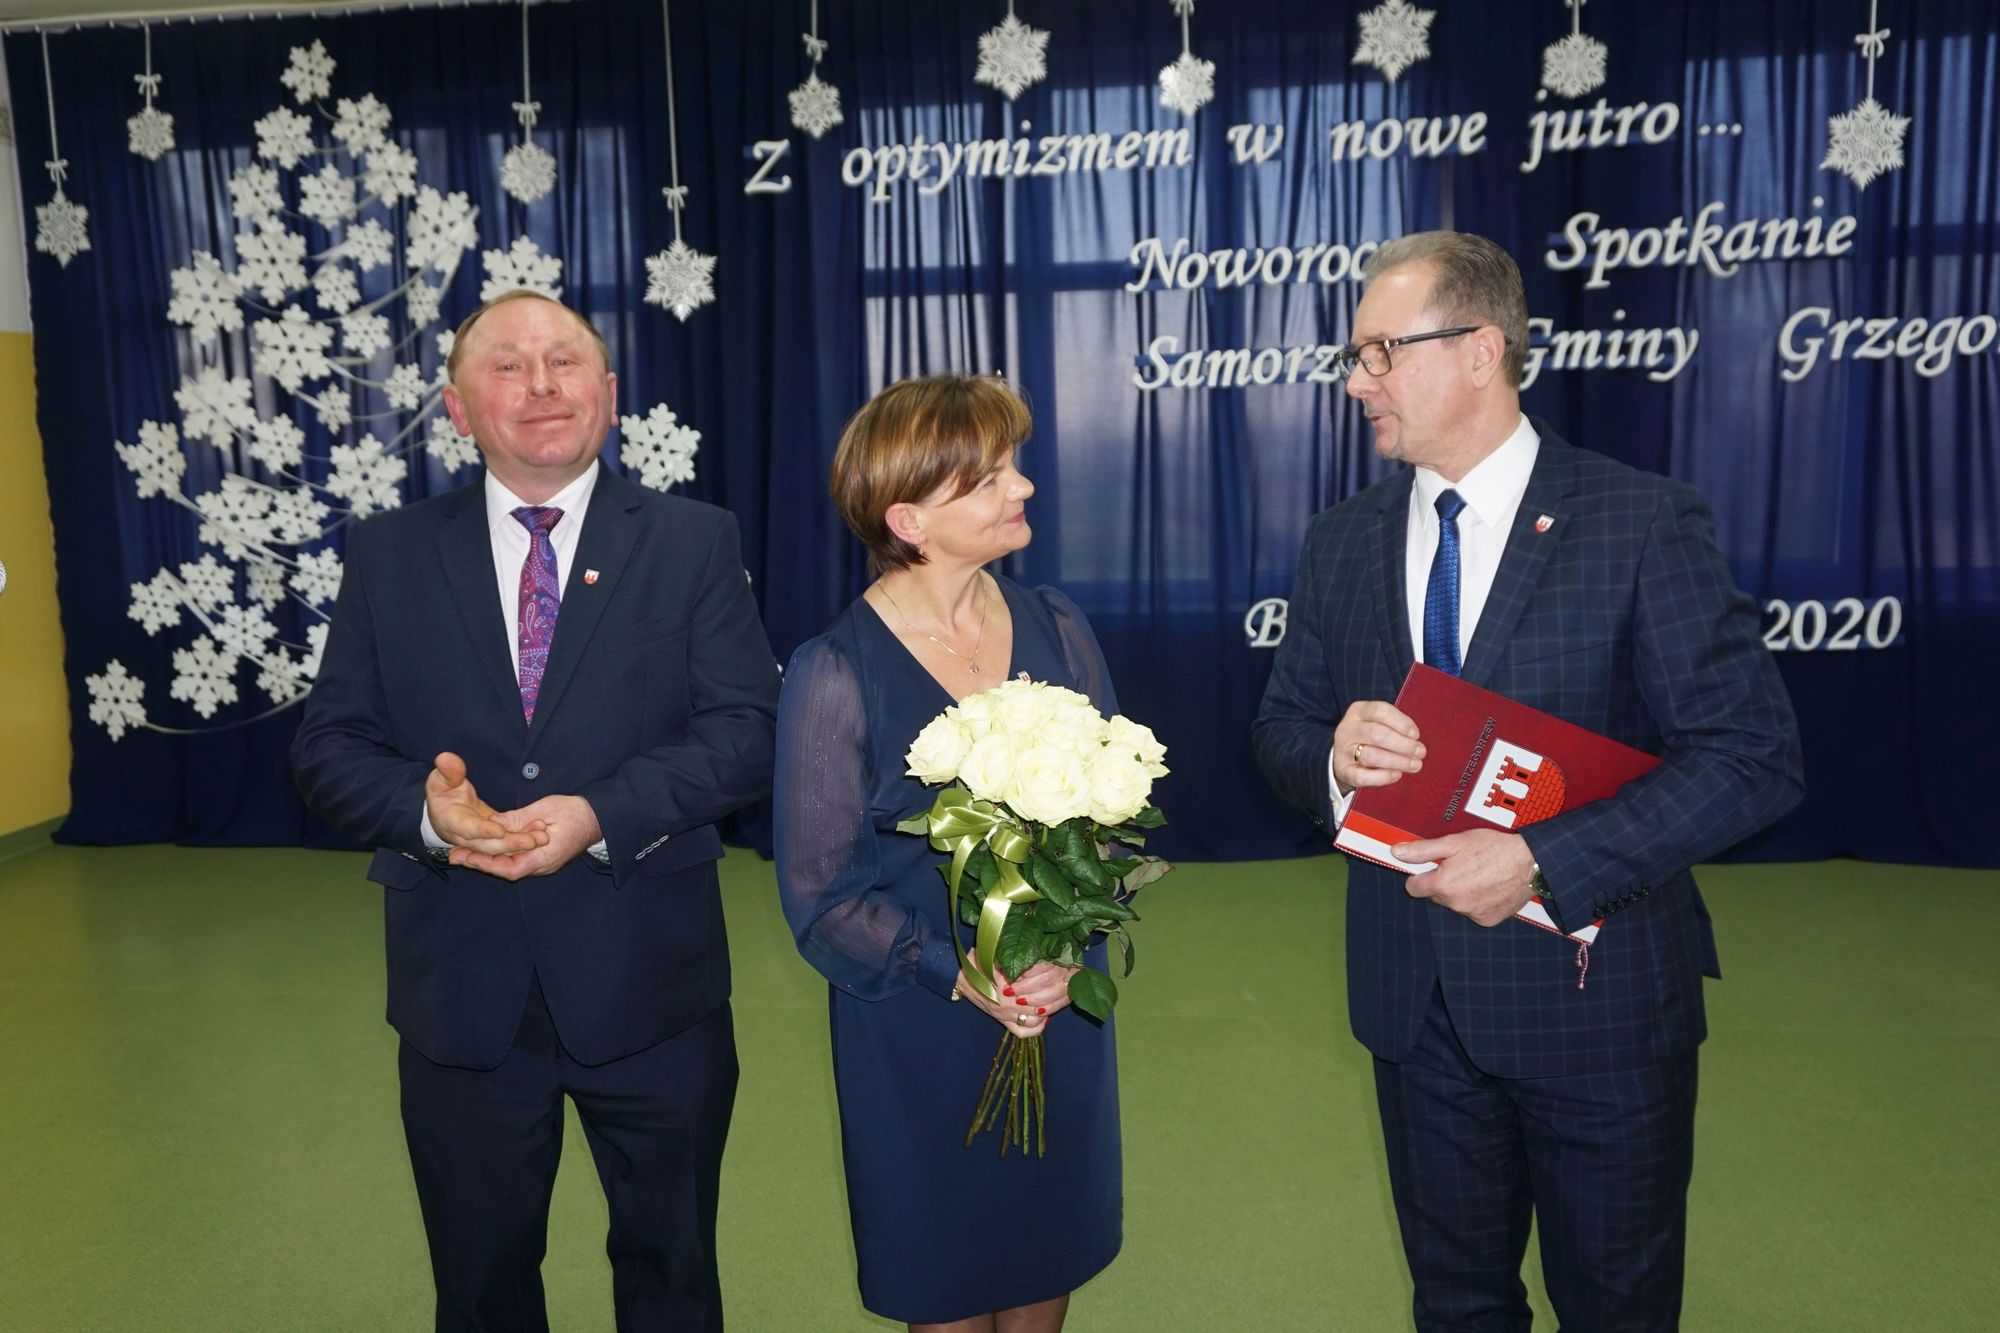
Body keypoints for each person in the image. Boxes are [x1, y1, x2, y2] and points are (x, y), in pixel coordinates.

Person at [1253, 232, 1804, 1331]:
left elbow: (1750, 756)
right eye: (1355, 355)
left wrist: (1544, 860)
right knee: (1457, 1304)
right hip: (1413, 1003)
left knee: (1616, 1305)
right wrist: (1332, 759)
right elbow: (1279, 727)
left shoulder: (1640, 521)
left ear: (1481, 351)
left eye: (1381, 351)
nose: (1356, 381)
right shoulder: (1340, 541)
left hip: (1597, 1008)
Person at [292, 290, 779, 1332]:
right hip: (461, 989)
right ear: (456, 407)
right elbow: (330, 746)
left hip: (652, 980)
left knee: (673, 1273)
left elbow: (746, 729)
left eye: (564, 362)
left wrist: (599, 812)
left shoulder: (693, 540)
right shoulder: (387, 552)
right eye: (507, 366)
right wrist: (430, 816)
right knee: (479, 1285)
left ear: (609, 393)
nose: (542, 385)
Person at [773, 375, 1122, 1333]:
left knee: (1046, 1245)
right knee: (945, 1272)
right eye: (990, 477)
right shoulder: (835, 670)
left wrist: (1067, 947)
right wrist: (954, 970)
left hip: (1054, 1003)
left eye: (1014, 465)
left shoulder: (1058, 624)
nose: (1023, 487)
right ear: (910, 520)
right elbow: (822, 896)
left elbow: (1113, 817)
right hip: (918, 1021)